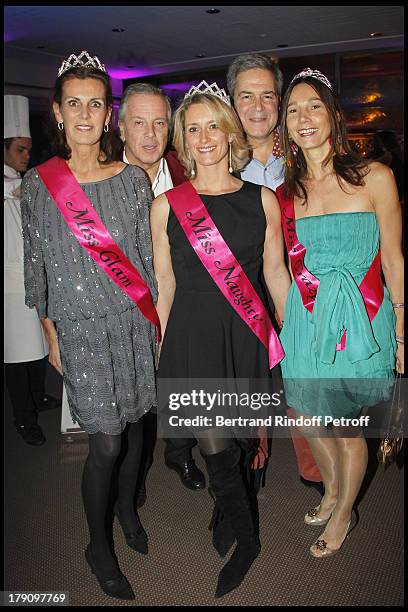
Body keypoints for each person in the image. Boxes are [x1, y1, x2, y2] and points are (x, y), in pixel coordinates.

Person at [21, 51, 159, 600]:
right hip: (79, 330)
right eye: (73, 103)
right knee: (104, 443)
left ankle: (127, 508)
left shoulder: (131, 182)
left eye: (95, 103)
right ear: (57, 112)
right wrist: (50, 334)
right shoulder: (38, 185)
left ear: (108, 115)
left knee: (135, 427)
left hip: (130, 321)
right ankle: (96, 545)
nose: (84, 113)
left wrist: (156, 326)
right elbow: (37, 267)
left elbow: (147, 259)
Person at [150, 82, 291, 597]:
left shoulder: (263, 200)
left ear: (229, 133)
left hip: (246, 333)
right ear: (183, 141)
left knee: (239, 437)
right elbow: (164, 285)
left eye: (213, 125)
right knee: (214, 443)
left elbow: (275, 275)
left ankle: (227, 510)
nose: (204, 137)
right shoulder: (167, 206)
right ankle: (247, 537)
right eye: (193, 128)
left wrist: (291, 334)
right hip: (193, 338)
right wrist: (165, 351)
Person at [276, 67, 404, 558]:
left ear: (333, 115)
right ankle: (330, 491)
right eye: (292, 110)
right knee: (311, 419)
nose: (303, 117)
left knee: (347, 427)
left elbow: (393, 259)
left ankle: (345, 512)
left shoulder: (376, 177)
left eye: (312, 106)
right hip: (307, 320)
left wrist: (400, 330)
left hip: (359, 320)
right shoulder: (285, 195)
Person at [227, 53, 323, 490]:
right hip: (238, 290)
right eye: (247, 96)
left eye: (268, 95)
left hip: (303, 285)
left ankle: (315, 468)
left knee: (304, 379)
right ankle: (253, 459)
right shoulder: (216, 158)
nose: (259, 106)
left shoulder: (306, 155)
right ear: (232, 102)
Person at [118, 83, 205, 500]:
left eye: (159, 122)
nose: (151, 134)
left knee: (180, 381)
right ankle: (130, 473)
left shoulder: (190, 174)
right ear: (120, 129)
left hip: (181, 302)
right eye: (139, 123)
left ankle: (180, 450)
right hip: (122, 309)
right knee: (132, 401)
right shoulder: (97, 181)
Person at [4, 94, 60, 446]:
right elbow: (21, 190)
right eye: (19, 150)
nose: (26, 156)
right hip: (7, 284)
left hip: (32, 275)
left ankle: (38, 398)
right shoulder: (12, 183)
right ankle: (24, 419)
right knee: (15, 356)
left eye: (28, 150)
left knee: (40, 346)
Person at [371, 130, 404, 203]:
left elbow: (372, 166)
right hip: (396, 190)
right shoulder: (398, 154)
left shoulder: (388, 155)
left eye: (376, 141)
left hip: (389, 190)